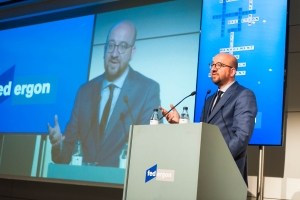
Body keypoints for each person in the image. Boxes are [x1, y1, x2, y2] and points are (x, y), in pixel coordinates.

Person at [48, 21, 160, 167]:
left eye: (123, 46)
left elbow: (150, 149)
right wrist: (58, 145)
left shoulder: (147, 90)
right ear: (104, 49)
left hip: (120, 187)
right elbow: (64, 157)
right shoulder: (85, 92)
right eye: (111, 45)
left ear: (132, 52)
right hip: (84, 185)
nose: (114, 54)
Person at [159, 53, 257, 185]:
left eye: (219, 65)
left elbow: (242, 135)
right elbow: (201, 133)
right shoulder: (210, 99)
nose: (213, 69)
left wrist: (216, 160)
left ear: (232, 71)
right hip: (205, 173)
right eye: (212, 65)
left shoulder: (243, 95)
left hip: (227, 172)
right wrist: (179, 123)